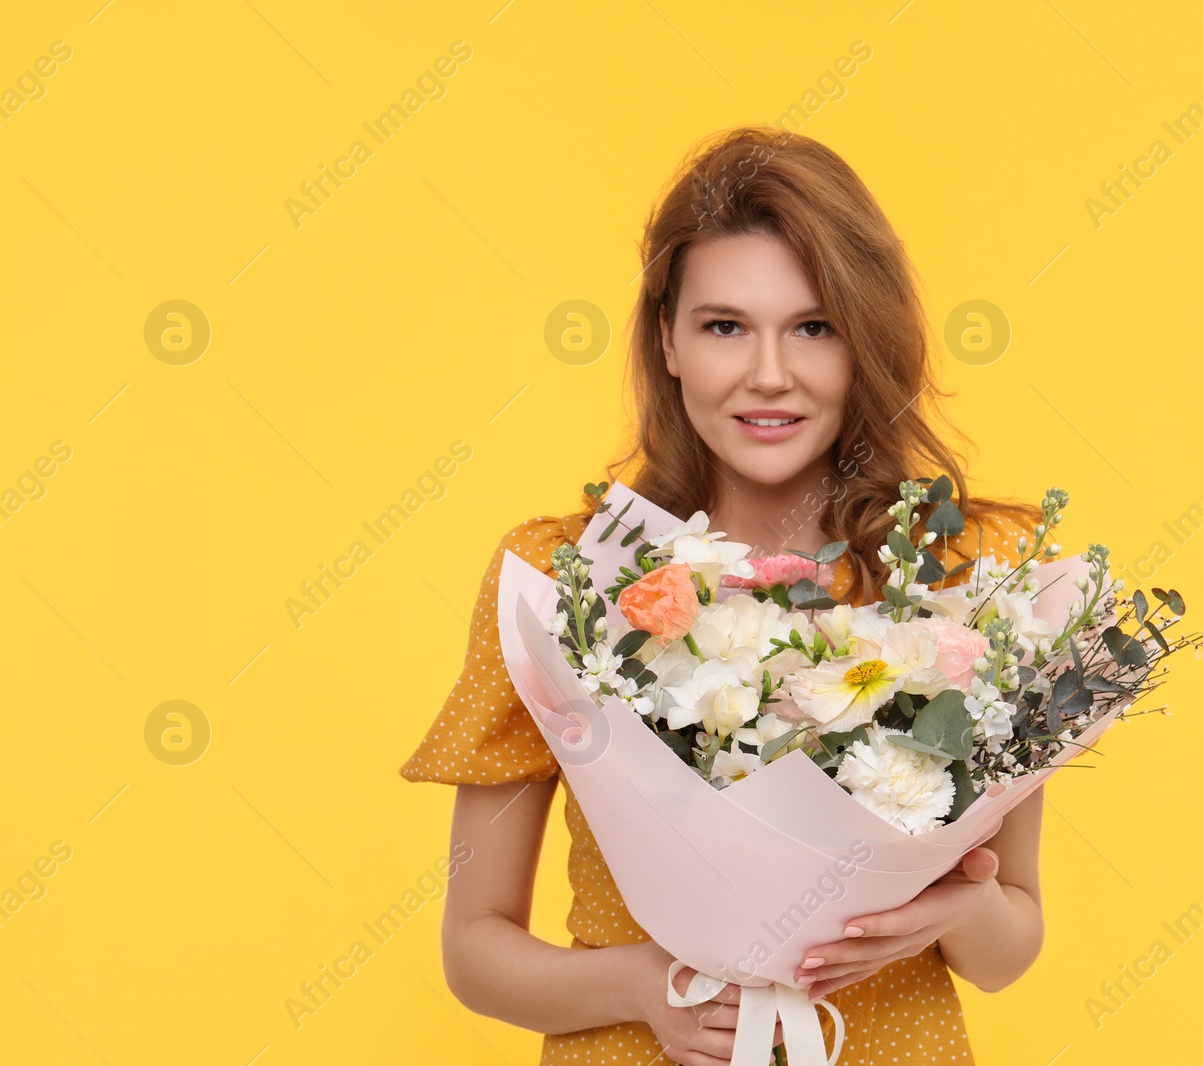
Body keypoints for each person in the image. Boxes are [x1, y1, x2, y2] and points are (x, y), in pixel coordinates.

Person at [400, 125, 1060, 1065]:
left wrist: (956, 908)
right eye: (724, 327)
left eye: (813, 327)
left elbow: (1008, 952)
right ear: (667, 339)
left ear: (862, 341)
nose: (769, 375)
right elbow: (475, 951)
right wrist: (648, 988)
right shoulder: (566, 580)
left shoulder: (963, 575)